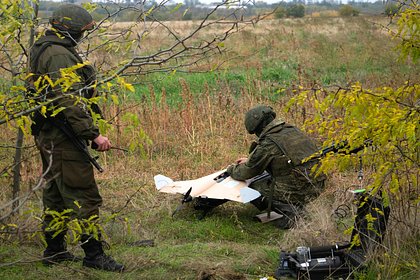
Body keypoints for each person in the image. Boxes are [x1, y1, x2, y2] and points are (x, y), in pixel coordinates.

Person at [29, 4, 124, 271]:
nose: (83, 35)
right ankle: (94, 255)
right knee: (84, 195)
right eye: (82, 30)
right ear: (69, 29)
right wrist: (92, 134)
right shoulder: (58, 54)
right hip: (63, 135)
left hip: (52, 133)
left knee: (57, 194)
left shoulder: (46, 47)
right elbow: (69, 100)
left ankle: (54, 250)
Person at [226, 105, 326, 229]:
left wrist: (230, 169)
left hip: (301, 188)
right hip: (318, 184)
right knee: (270, 177)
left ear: (258, 127)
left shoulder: (269, 142)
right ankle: (296, 205)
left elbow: (246, 172)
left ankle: (291, 214)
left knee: (250, 188)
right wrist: (250, 160)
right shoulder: (291, 130)